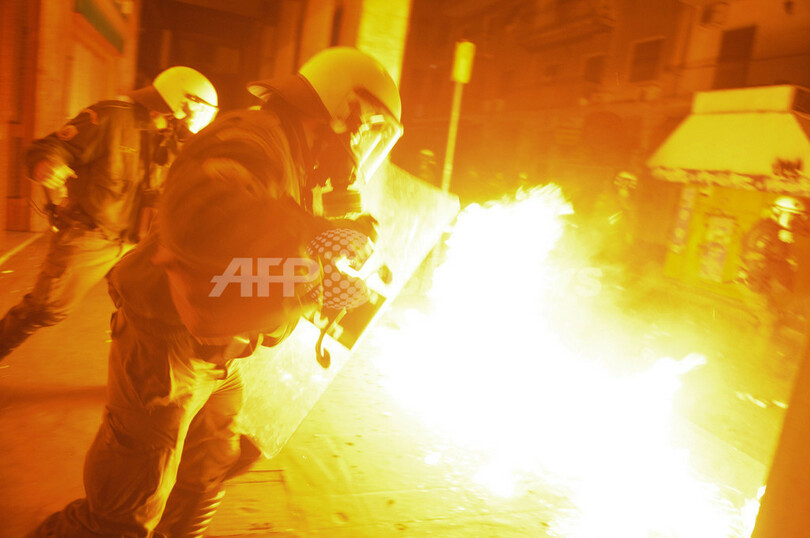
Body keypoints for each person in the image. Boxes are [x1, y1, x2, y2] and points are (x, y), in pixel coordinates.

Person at [29, 46, 403, 537]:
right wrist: (312, 243)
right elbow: (202, 228)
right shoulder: (249, 138)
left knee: (208, 472)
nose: (363, 146)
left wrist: (322, 261)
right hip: (165, 348)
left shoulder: (293, 154)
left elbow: (245, 267)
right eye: (368, 129)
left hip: (216, 349)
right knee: (122, 512)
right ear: (342, 111)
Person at [0, 66, 218, 361]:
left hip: (136, 243)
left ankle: (134, 378)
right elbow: (50, 147)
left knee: (147, 311)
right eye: (190, 116)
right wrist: (46, 164)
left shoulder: (173, 140)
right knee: (46, 308)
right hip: (92, 233)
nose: (188, 127)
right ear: (177, 105)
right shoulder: (110, 119)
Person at [736, 195, 806, 336]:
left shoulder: (775, 230)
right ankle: (757, 350)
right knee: (770, 320)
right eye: (791, 216)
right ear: (778, 213)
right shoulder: (766, 233)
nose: (793, 221)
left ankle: (750, 335)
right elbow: (756, 260)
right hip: (753, 284)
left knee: (768, 315)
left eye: (795, 217)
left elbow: (774, 256)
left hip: (762, 283)